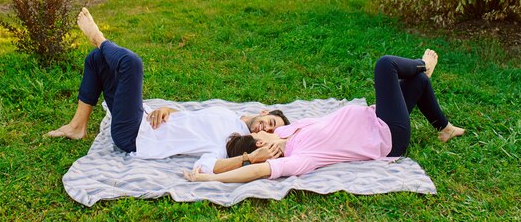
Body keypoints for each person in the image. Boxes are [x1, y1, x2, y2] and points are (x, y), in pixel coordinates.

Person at [47, 8, 290, 174]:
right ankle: (78, 126)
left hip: (135, 136)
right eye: (270, 122)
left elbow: (207, 165)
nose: (266, 128)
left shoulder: (235, 142)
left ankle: (97, 36)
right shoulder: (230, 116)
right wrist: (167, 109)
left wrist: (248, 158)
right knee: (97, 60)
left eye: (271, 131)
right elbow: (191, 120)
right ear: (263, 111)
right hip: (144, 118)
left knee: (131, 63)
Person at [183, 50, 465, 183]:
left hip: (375, 115)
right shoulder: (300, 156)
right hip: (388, 135)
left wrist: (240, 144)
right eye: (255, 132)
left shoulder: (284, 132)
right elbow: (257, 170)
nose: (257, 128)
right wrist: (206, 180)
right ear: (260, 144)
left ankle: (445, 127)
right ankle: (422, 65)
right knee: (385, 65)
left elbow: (246, 117)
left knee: (418, 84)